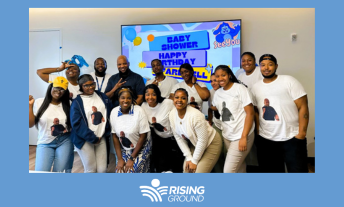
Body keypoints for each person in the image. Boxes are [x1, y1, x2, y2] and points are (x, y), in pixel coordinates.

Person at [250, 54, 309, 173]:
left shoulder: (288, 81)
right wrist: (258, 132)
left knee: (298, 172)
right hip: (266, 139)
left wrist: (301, 134)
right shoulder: (255, 87)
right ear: (259, 67)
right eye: (263, 65)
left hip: (292, 138)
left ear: (276, 66)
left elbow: (303, 106)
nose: (266, 68)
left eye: (270, 64)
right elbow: (256, 111)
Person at [212, 65, 255, 173]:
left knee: (228, 171)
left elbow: (250, 113)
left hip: (241, 134)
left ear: (229, 75)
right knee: (239, 168)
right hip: (227, 135)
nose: (220, 78)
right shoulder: (217, 93)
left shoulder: (240, 88)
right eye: (217, 76)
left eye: (223, 75)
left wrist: (244, 137)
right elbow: (216, 108)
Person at [169, 88, 222, 173]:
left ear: (187, 100)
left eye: (183, 98)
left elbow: (203, 140)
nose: (179, 100)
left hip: (211, 143)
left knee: (198, 172)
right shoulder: (172, 114)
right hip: (196, 143)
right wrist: (189, 158)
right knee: (186, 170)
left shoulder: (195, 115)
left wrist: (194, 161)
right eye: (177, 97)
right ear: (173, 99)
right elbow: (178, 137)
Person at [29, 76, 74, 172]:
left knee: (59, 172)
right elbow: (30, 124)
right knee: (41, 172)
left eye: (62, 89)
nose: (59, 91)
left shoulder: (69, 104)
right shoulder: (39, 102)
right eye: (57, 87)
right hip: (45, 141)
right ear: (51, 87)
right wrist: (29, 106)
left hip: (65, 140)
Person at [70, 74, 113, 173]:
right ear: (81, 86)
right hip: (84, 139)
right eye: (86, 85)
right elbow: (77, 124)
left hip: (100, 137)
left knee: (102, 170)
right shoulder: (77, 102)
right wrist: (92, 138)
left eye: (92, 84)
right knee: (91, 169)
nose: (91, 87)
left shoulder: (101, 96)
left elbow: (109, 112)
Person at [141, 84, 184, 173]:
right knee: (162, 167)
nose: (150, 97)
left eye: (153, 94)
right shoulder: (143, 106)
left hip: (175, 138)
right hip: (159, 140)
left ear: (158, 94)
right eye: (147, 94)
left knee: (177, 167)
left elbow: (181, 111)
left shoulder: (167, 103)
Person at [110, 87, 151, 173]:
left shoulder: (139, 111)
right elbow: (114, 136)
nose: (126, 100)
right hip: (125, 148)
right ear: (118, 99)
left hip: (141, 147)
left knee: (132, 171)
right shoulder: (114, 112)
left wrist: (132, 158)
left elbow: (143, 136)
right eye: (123, 98)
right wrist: (120, 159)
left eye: (129, 98)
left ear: (132, 99)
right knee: (120, 171)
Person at [207, 73, 226, 173]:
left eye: (215, 80)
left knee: (227, 152)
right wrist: (210, 122)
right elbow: (210, 109)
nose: (213, 83)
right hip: (216, 125)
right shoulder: (210, 92)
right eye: (211, 81)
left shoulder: (227, 91)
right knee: (217, 151)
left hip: (228, 126)